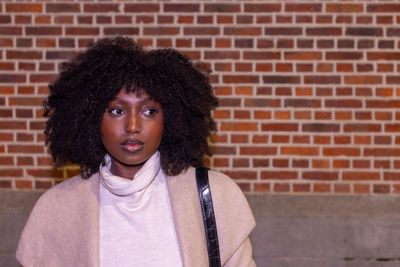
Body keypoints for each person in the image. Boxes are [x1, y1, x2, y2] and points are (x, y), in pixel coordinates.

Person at [16, 37, 256, 267]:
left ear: (170, 118)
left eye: (149, 111)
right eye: (117, 111)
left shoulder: (214, 196)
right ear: (91, 118)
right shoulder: (57, 209)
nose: (132, 126)